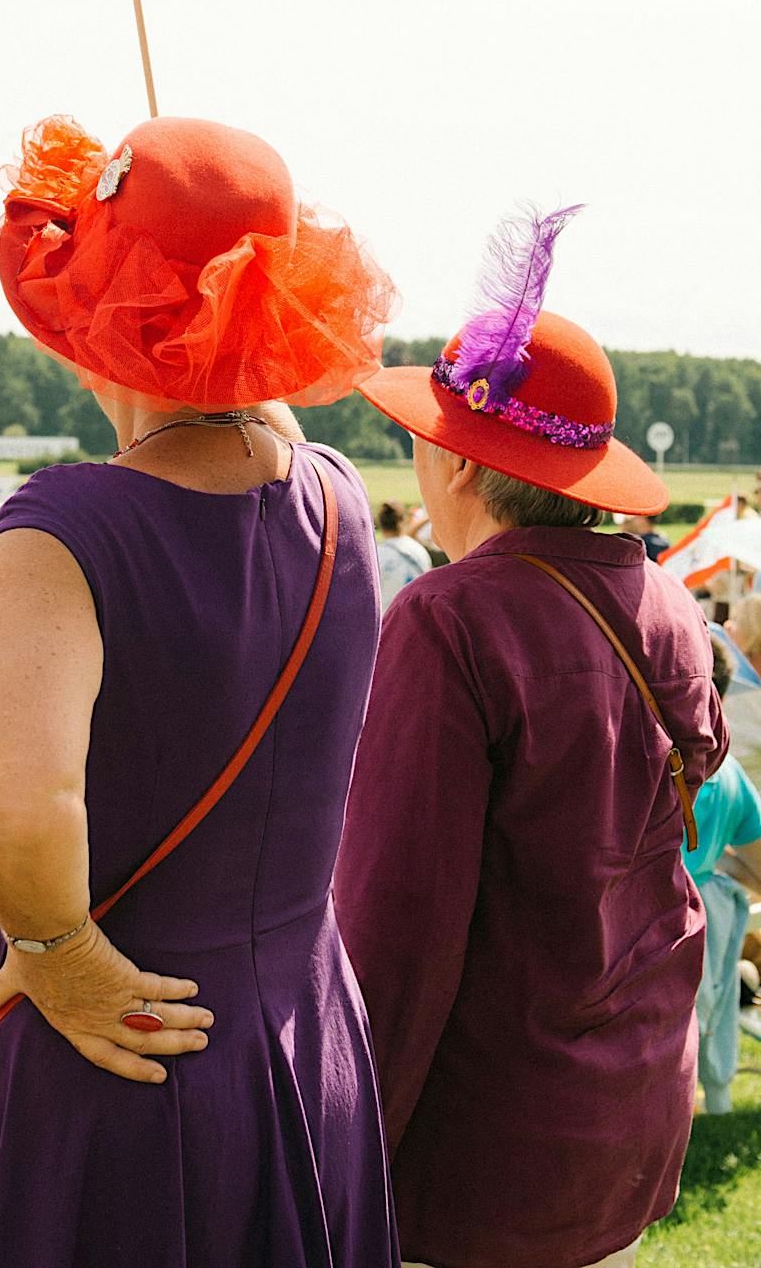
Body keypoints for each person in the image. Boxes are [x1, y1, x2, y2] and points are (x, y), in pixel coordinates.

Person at [0, 114, 401, 1267]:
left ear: (92, 313)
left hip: (114, 1067)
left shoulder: (62, 525)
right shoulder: (335, 498)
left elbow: (17, 803)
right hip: (303, 1045)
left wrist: (57, 955)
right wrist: (214, 296)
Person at [337, 210, 723, 1268]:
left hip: (478, 1154)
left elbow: (396, 931)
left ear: (458, 463)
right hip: (625, 1113)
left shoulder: (450, 617)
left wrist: (335, 1149)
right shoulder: (661, 596)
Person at [688, 636, 761, 1116]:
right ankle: (714, 1104)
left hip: (665, 913)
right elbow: (757, 863)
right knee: (709, 1016)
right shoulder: (730, 770)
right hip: (711, 908)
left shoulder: (656, 761)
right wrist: (719, 869)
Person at [374, 501, 432, 608]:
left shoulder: (376, 555)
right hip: (416, 615)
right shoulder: (419, 550)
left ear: (381, 524)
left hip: (388, 618)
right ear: (402, 521)